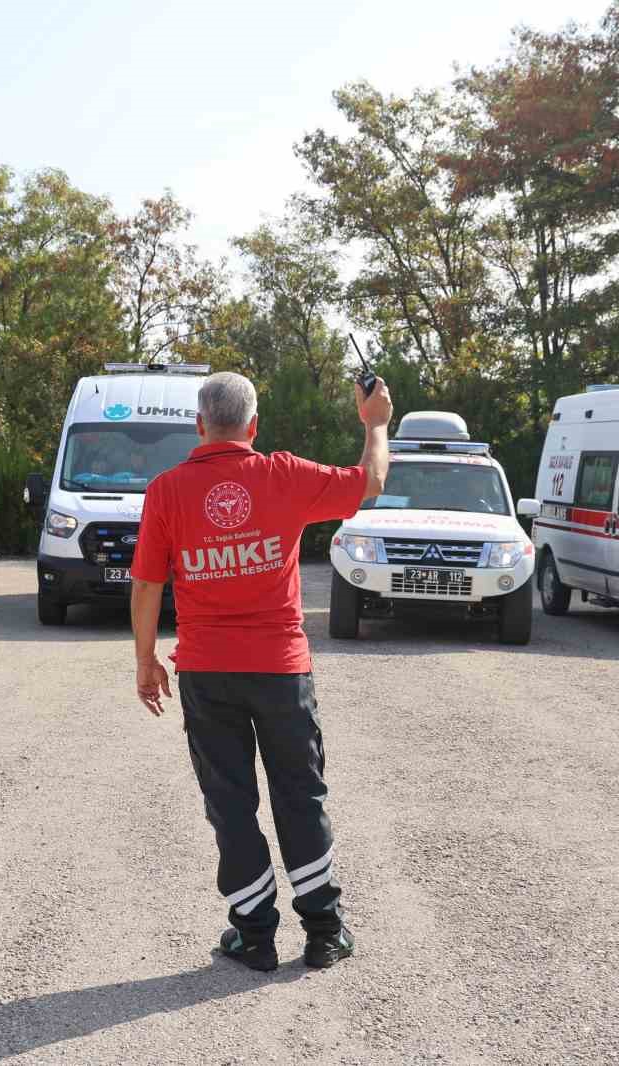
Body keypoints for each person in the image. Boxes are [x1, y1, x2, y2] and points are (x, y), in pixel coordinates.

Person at [129, 371, 392, 972]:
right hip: (280, 670)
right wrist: (375, 422)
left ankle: (254, 935)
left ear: (199, 425)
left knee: (230, 803)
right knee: (300, 795)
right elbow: (371, 482)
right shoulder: (284, 474)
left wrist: (146, 662)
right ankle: (324, 932)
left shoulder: (166, 491)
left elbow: (147, 583)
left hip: (206, 671)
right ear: (253, 425)